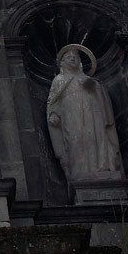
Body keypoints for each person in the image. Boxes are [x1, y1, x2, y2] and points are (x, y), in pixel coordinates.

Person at [45, 44, 122, 180]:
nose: (72, 59)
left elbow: (101, 97)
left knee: (96, 137)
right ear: (62, 62)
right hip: (70, 113)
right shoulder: (59, 80)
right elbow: (53, 101)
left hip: (92, 111)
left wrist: (94, 86)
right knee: (76, 140)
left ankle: (103, 167)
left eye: (75, 57)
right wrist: (54, 114)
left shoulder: (88, 79)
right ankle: (78, 172)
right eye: (68, 57)